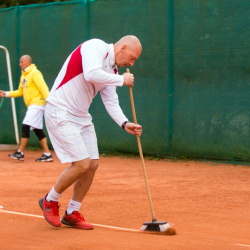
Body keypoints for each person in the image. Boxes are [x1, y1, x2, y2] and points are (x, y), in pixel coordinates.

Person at [39, 35, 142, 229]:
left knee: (92, 164)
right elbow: (91, 73)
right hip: (60, 110)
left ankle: (72, 212)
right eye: (132, 57)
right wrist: (121, 79)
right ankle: (49, 200)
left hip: (81, 116)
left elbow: (111, 101)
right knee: (81, 164)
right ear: (123, 48)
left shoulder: (112, 71)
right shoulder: (96, 46)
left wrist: (124, 123)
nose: (132, 63)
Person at [0, 55, 53, 162]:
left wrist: (50, 102)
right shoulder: (24, 75)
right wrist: (5, 94)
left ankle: (20, 152)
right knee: (37, 129)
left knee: (26, 125)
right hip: (32, 105)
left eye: (22, 62)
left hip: (38, 103)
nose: (20, 64)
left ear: (28, 62)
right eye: (19, 62)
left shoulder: (35, 73)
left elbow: (44, 88)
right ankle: (47, 154)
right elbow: (20, 91)